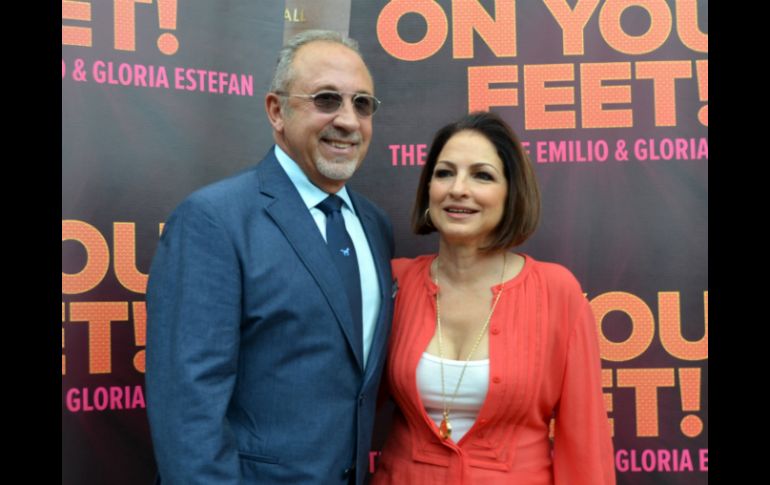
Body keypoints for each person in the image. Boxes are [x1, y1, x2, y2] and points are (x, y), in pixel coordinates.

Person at [145, 30, 394, 485]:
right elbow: (188, 410)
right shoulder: (213, 221)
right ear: (277, 111)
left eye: (362, 104)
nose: (349, 121)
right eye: (326, 100)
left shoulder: (375, 227)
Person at [372, 112, 615, 484]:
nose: (458, 189)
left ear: (509, 193)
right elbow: (346, 407)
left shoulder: (556, 292)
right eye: (444, 173)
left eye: (482, 175)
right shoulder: (393, 282)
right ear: (428, 190)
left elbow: (584, 443)